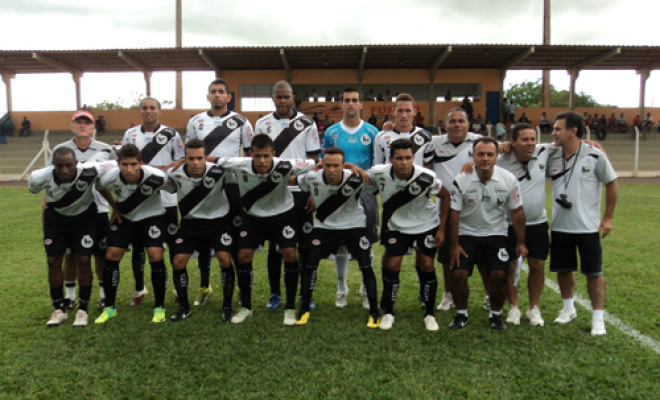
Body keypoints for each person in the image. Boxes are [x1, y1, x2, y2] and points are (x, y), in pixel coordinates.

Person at [211, 134, 316, 325]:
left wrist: (315, 192)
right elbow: (212, 159)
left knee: (291, 255)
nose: (261, 160)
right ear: (250, 154)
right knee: (243, 256)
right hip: (253, 218)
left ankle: (290, 307)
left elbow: (317, 164)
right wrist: (182, 161)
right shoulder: (238, 163)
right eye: (257, 155)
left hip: (282, 215)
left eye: (266, 156)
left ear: (273, 154)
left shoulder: (286, 164)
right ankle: (246, 307)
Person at [547, 111, 618, 336]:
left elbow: (612, 183)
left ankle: (598, 318)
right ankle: (568, 308)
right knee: (564, 270)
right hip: (560, 226)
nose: (554, 133)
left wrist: (607, 218)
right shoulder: (551, 154)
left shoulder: (595, 155)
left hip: (587, 227)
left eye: (558, 129)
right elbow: (525, 149)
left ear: (573, 130)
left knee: (594, 272)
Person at [366, 139, 449, 331]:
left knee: (427, 264)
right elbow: (363, 179)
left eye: (408, 158)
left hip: (425, 225)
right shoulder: (379, 172)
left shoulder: (427, 177)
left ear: (413, 158)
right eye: (399, 158)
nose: (404, 162)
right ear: (391, 159)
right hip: (397, 227)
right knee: (393, 264)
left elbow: (445, 196)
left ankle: (429, 313)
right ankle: (388, 311)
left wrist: (442, 229)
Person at [29, 147, 116, 327]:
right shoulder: (39, 176)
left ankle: (83, 310)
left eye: (69, 165)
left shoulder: (91, 170)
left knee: (84, 259)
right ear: (53, 165)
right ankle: (59, 309)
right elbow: (33, 190)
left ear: (76, 163)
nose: (64, 170)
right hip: (56, 219)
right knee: (53, 261)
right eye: (59, 166)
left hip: (84, 218)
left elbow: (118, 163)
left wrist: (116, 206)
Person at [186, 78, 254, 307]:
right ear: (208, 96)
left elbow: (249, 156)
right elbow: (191, 155)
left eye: (221, 92)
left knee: (234, 237)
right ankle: (205, 285)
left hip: (232, 185)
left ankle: (236, 285)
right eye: (213, 91)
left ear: (228, 97)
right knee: (204, 238)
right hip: (203, 186)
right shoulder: (195, 121)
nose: (217, 95)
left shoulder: (241, 122)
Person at [448, 137, 527, 332]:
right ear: (473, 156)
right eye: (480, 154)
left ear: (496, 156)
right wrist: (454, 244)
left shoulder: (509, 179)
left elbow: (517, 213)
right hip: (467, 233)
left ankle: (496, 315)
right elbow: (454, 214)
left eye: (490, 154)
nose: (485, 158)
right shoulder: (461, 180)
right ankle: (461, 314)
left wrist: (521, 242)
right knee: (458, 274)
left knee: (500, 274)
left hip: (496, 233)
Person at [295, 147, 380, 327]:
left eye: (336, 166)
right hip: (324, 226)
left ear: (344, 166)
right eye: (327, 165)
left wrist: (355, 166)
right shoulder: (312, 177)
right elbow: (294, 181)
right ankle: (304, 308)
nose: (332, 170)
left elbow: (376, 183)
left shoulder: (355, 177)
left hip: (354, 226)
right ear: (322, 164)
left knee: (366, 264)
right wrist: (315, 169)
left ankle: (374, 311)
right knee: (310, 263)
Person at [254, 81, 320, 310]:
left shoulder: (307, 124)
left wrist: (312, 191)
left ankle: (306, 294)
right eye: (278, 97)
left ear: (293, 98)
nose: (282, 101)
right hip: (274, 193)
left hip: (300, 192)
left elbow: (314, 162)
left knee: (304, 246)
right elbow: (256, 160)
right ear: (273, 98)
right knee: (276, 247)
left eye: (286, 96)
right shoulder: (262, 123)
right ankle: (275, 294)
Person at [94, 144, 169, 324]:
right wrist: (115, 207)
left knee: (155, 255)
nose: (129, 169)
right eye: (125, 164)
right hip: (126, 218)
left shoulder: (156, 176)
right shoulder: (110, 177)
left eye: (133, 164)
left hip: (151, 217)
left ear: (141, 163)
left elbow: (175, 188)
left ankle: (159, 307)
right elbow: (100, 186)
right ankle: (110, 308)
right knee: (111, 255)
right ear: (118, 164)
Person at [122, 97, 184, 307]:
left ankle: (177, 289)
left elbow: (181, 162)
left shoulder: (171, 134)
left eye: (152, 108)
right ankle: (140, 288)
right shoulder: (130, 135)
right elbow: (124, 164)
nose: (149, 111)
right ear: (140, 111)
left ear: (160, 111)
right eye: (145, 108)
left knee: (174, 245)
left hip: (166, 199)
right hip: (139, 200)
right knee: (139, 248)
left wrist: (169, 167)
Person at [163, 139, 235, 322]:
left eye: (200, 158)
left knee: (225, 260)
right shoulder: (175, 173)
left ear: (206, 157)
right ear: (184, 158)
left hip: (218, 223)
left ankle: (227, 306)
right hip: (191, 224)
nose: (196, 163)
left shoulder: (219, 171)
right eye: (191, 158)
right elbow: (157, 178)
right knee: (178, 261)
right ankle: (184, 307)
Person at [52, 110, 116, 309]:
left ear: (93, 127)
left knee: (100, 254)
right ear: (71, 126)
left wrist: (116, 206)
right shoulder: (61, 149)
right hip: (70, 209)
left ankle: (104, 294)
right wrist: (46, 205)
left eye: (86, 122)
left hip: (99, 208)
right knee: (71, 255)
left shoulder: (105, 150)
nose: (82, 125)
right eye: (78, 122)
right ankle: (70, 296)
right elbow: (50, 180)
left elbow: (113, 178)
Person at [421, 107, 483, 311]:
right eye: (452, 121)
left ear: (468, 124)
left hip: (475, 208)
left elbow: (502, 150)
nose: (457, 125)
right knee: (446, 256)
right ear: (444, 124)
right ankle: (448, 295)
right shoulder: (434, 144)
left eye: (461, 121)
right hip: (446, 209)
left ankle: (489, 295)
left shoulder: (478, 142)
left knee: (482, 256)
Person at [323, 87, 380, 308]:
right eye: (346, 100)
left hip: (365, 194)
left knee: (368, 242)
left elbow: (377, 164)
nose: (350, 104)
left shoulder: (373, 132)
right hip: (339, 193)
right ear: (342, 103)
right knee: (340, 244)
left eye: (354, 100)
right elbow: (327, 162)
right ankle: (341, 289)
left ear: (361, 103)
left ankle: (366, 289)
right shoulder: (332, 133)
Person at [497, 124, 551, 326]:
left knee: (537, 265)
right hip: (509, 224)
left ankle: (533, 308)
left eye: (532, 139)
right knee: (511, 265)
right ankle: (514, 307)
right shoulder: (501, 161)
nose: (530, 144)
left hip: (538, 223)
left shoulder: (544, 153)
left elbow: (568, 144)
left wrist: (590, 142)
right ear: (513, 142)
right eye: (525, 139)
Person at [373, 93, 433, 166]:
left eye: (408, 111)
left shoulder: (425, 137)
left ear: (414, 112)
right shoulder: (381, 137)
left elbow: (428, 168)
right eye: (400, 111)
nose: (404, 115)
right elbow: (378, 166)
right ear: (393, 112)